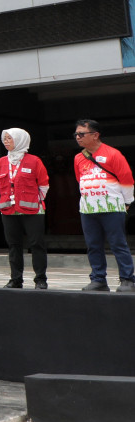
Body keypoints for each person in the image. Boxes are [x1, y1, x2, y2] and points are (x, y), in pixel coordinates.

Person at [72, 119, 135, 292]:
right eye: (76, 134)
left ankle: (128, 279)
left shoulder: (113, 154)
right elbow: (80, 180)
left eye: (81, 134)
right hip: (88, 209)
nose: (78, 137)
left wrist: (127, 202)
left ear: (95, 135)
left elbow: (127, 180)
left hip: (112, 207)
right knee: (93, 245)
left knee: (118, 244)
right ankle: (98, 279)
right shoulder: (78, 158)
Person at [0, 128, 49, 289]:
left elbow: (43, 185)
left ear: (20, 140)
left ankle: (40, 279)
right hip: (9, 210)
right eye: (4, 138)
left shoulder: (34, 161)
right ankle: (16, 279)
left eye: (9, 138)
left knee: (36, 244)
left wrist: (34, 200)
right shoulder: (2, 162)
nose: (6, 141)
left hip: (32, 209)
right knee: (13, 245)